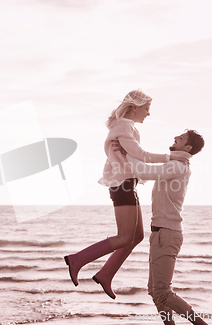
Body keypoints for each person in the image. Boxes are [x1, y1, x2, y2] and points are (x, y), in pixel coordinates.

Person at [64, 89, 187, 299]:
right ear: (135, 106)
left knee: (136, 236)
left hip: (127, 184)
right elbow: (141, 155)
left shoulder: (126, 127)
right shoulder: (123, 127)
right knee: (124, 237)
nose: (148, 113)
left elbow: (134, 158)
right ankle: (77, 259)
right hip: (122, 185)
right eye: (147, 108)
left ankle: (105, 274)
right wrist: (173, 156)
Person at [125, 129, 208, 325]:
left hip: (167, 233)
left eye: (181, 138)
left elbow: (145, 171)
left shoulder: (178, 166)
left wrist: (126, 150)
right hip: (160, 232)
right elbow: (146, 171)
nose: (176, 137)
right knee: (155, 292)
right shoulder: (174, 165)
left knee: (162, 292)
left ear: (187, 147)